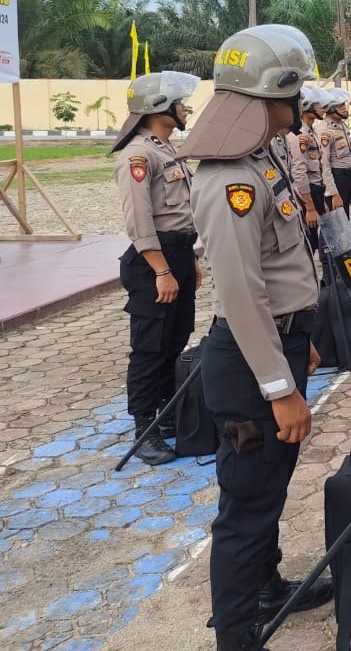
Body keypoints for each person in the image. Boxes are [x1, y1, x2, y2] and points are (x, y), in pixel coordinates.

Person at [180, 25, 332, 650]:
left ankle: (267, 588)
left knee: (267, 488)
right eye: (296, 92)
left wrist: (302, 343)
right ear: (275, 93)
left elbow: (282, 267)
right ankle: (238, 634)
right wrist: (279, 385)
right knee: (245, 509)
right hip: (249, 365)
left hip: (279, 344)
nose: (301, 106)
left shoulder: (261, 157)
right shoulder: (227, 180)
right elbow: (241, 295)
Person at [111, 70, 202, 466]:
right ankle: (144, 427)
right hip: (154, 263)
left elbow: (183, 213)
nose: (185, 109)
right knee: (149, 348)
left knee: (176, 337)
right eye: (179, 103)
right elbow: (140, 220)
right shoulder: (139, 154)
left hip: (178, 256)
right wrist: (162, 271)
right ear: (160, 108)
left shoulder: (166, 149)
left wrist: (190, 260)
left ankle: (166, 415)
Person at [285, 86, 325, 251]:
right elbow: (299, 172)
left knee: (319, 242)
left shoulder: (312, 132)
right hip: (308, 194)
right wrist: (309, 208)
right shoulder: (298, 136)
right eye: (317, 106)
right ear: (307, 108)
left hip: (317, 191)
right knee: (310, 244)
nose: (322, 109)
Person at [319, 89, 351, 213]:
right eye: (340, 105)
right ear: (330, 108)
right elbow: (324, 164)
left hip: (346, 178)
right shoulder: (325, 130)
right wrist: (333, 193)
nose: (344, 108)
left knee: (345, 216)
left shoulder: (342, 126)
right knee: (338, 220)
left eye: (344, 104)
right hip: (337, 179)